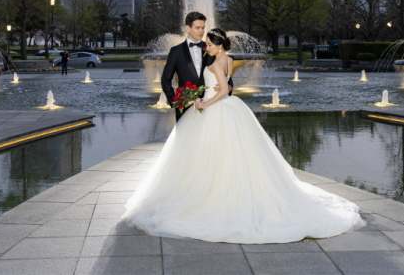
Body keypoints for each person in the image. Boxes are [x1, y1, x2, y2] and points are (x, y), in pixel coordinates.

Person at [122, 27, 365, 244]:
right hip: (231, 107)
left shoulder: (215, 62)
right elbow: (228, 86)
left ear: (219, 45)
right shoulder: (227, 59)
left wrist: (204, 103)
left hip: (215, 107)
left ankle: (214, 192)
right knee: (234, 152)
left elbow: (223, 90)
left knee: (213, 152)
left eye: (210, 43)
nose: (206, 46)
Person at [159, 12, 232, 122]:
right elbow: (165, 79)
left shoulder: (211, 48)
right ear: (188, 28)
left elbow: (225, 72)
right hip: (185, 106)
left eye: (203, 28)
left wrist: (229, 87)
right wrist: (174, 101)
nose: (201, 31)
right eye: (197, 28)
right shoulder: (176, 51)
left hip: (210, 105)